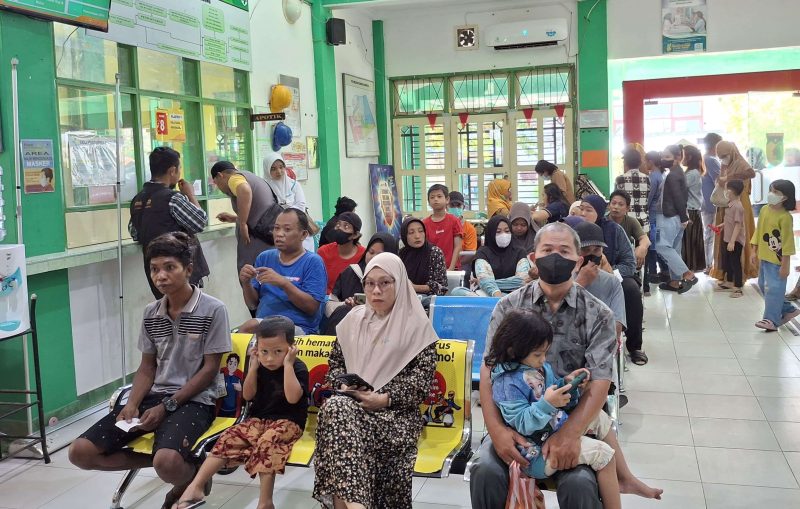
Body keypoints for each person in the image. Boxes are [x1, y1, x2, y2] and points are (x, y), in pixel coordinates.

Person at [470, 223, 638, 509]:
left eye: (564, 251)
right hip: (514, 419)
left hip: (570, 421)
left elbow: (600, 381)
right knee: (484, 470)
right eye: (547, 250)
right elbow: (489, 370)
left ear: (578, 260)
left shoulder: (599, 314)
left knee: (579, 483)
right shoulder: (508, 306)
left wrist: (569, 435)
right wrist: (496, 430)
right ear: (534, 258)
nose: (555, 257)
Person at [68, 232, 231, 509]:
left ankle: (186, 475)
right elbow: (147, 367)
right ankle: (187, 464)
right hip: (154, 396)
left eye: (170, 267)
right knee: (80, 453)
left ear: (188, 270)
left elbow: (209, 370)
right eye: (154, 269)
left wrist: (167, 406)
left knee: (166, 462)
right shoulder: (151, 312)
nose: (161, 276)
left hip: (196, 399)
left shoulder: (213, 309)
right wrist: (132, 404)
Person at [487, 310, 662, 509]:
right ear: (512, 350)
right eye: (538, 354)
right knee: (604, 455)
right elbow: (521, 424)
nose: (543, 359)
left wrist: (568, 384)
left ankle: (626, 478)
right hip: (534, 453)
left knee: (600, 417)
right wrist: (548, 404)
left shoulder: (538, 368)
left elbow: (553, 391)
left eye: (545, 352)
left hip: (552, 429)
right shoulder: (506, 382)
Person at [312, 253, 439, 508]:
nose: (376, 290)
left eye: (385, 283)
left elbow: (421, 384)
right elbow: (335, 365)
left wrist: (384, 399)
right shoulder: (353, 321)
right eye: (370, 284)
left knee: (336, 416)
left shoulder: (417, 326)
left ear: (400, 283)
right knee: (339, 409)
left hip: (395, 415)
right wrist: (344, 386)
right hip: (354, 406)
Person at [175, 316, 308, 509]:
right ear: (257, 349)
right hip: (258, 419)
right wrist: (253, 367)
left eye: (278, 351)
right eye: (264, 351)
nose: (270, 358)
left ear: (291, 348)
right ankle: (195, 486)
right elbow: (247, 395)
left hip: (288, 422)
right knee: (230, 436)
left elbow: (293, 398)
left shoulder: (297, 367)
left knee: (267, 443)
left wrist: (288, 365)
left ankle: (265, 502)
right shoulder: (259, 366)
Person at [130, 147, 209, 299]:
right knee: (188, 313)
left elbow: (135, 233)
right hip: (179, 269)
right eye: (179, 169)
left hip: (155, 272)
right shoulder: (172, 198)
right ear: (172, 170)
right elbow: (200, 222)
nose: (179, 173)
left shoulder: (137, 200)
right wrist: (191, 195)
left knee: (166, 311)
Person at [579, 194, 646, 365]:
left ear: (600, 212)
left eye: (589, 210)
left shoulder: (614, 230)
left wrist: (610, 271)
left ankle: (634, 346)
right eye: (581, 209)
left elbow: (630, 264)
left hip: (612, 274)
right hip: (577, 274)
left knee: (630, 289)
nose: (583, 213)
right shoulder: (573, 229)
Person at [238, 209, 327, 335]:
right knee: (239, 337)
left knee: (249, 327)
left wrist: (284, 283)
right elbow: (252, 304)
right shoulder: (264, 257)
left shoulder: (313, 262)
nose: (279, 234)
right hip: (263, 323)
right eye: (276, 228)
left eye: (287, 229)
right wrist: (246, 283)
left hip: (297, 328)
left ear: (303, 235)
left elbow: (312, 308)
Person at [323, 232, 399, 336]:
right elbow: (329, 306)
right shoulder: (350, 272)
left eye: (379, 254)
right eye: (371, 252)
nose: (373, 257)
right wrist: (346, 305)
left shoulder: (397, 278)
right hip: (350, 329)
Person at [210, 160, 279, 274]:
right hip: (267, 236)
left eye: (216, 183)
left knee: (252, 275)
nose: (219, 188)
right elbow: (257, 209)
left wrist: (242, 224)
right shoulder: (248, 175)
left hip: (259, 239)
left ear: (220, 175)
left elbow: (244, 190)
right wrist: (234, 219)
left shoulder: (233, 178)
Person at [752, 180, 799, 331]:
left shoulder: (785, 217)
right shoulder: (765, 209)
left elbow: (787, 243)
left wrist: (785, 266)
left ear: (785, 197)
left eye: (776, 192)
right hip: (765, 258)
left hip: (778, 261)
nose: (771, 194)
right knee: (764, 286)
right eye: (771, 190)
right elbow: (759, 232)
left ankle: (770, 320)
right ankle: (788, 309)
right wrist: (754, 251)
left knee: (774, 289)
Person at [711, 141, 758, 282]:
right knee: (725, 238)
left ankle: (740, 274)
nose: (722, 158)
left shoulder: (740, 162)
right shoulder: (725, 165)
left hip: (739, 202)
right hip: (725, 204)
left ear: (731, 152)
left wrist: (729, 178)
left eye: (724, 155)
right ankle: (726, 273)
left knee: (738, 236)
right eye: (720, 156)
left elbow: (751, 173)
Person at [573, 221, 627, 339]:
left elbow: (617, 327)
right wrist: (579, 283)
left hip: (599, 346)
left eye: (596, 250)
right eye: (585, 250)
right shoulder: (562, 279)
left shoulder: (612, 282)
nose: (591, 256)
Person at [452, 215, 531, 297]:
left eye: (507, 231)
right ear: (491, 233)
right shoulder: (483, 252)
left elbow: (522, 280)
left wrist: (483, 282)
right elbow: (485, 279)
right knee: (457, 291)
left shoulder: (520, 251)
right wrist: (496, 294)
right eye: (498, 232)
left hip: (514, 294)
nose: (503, 235)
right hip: (488, 294)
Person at [655, 145, 698, 293]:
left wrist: (684, 216)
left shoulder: (673, 175)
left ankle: (687, 274)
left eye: (667, 157)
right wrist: (683, 216)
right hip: (677, 216)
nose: (663, 159)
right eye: (663, 156)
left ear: (678, 157)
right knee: (674, 249)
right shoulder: (678, 172)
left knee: (661, 246)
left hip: (669, 215)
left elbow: (678, 197)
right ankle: (675, 282)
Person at [263, 152, 314, 252]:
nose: (279, 171)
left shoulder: (294, 185)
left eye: (281, 167)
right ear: (267, 170)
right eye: (273, 168)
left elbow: (301, 205)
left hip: (298, 227)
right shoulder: (265, 187)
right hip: (278, 231)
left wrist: (285, 213)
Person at [316, 212, 365, 294]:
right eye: (338, 224)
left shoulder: (364, 255)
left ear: (355, 235)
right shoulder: (323, 252)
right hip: (327, 301)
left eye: (346, 226)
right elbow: (317, 283)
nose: (339, 228)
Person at [399, 217, 448, 297]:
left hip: (429, 301)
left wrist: (414, 288)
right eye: (411, 233)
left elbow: (442, 288)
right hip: (405, 299)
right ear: (404, 236)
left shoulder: (434, 252)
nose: (417, 236)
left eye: (421, 231)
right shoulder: (401, 254)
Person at [715, 180, 746, 298]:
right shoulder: (730, 204)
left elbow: (738, 225)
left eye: (727, 189)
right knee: (727, 261)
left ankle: (738, 287)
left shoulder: (738, 206)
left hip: (735, 241)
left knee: (735, 263)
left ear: (732, 191)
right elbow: (731, 220)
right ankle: (728, 282)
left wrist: (732, 241)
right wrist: (723, 225)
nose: (725, 192)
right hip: (728, 238)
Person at [423, 184, 463, 270]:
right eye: (432, 197)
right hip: (432, 269)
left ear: (447, 199)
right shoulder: (425, 223)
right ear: (429, 202)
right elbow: (425, 249)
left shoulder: (454, 221)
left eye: (439, 196)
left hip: (453, 268)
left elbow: (458, 246)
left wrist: (451, 268)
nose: (436, 199)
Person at [681, 145, 706, 271]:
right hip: (693, 210)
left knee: (689, 243)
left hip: (690, 210)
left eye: (683, 155)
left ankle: (688, 269)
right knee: (691, 242)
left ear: (689, 157)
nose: (681, 158)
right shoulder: (694, 172)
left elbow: (679, 189)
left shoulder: (692, 174)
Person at [614, 146, 650, 232]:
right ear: (640, 162)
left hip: (626, 224)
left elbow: (615, 201)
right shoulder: (647, 179)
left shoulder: (620, 179)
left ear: (625, 162)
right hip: (643, 224)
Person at [701, 133, 723, 272]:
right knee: (710, 235)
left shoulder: (705, 158)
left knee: (709, 234)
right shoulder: (711, 160)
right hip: (712, 204)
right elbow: (720, 180)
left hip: (707, 203)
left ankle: (709, 263)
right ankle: (709, 264)